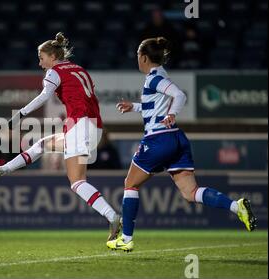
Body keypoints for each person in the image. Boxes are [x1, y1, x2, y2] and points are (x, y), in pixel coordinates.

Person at [107, 37, 257, 252]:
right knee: (190, 192)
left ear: (144, 57)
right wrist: (135, 107)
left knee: (130, 184)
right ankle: (237, 206)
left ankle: (126, 238)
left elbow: (180, 95)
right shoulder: (160, 75)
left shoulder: (153, 78)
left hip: (158, 139)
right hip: (177, 139)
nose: (137, 60)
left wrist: (172, 113)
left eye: (137, 57)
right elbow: (156, 106)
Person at [0, 32, 121, 241]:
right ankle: (2, 169)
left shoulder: (55, 71)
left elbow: (44, 96)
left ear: (52, 56)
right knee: (42, 144)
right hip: (94, 126)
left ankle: (112, 216)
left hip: (80, 124)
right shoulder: (78, 69)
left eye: (41, 58)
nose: (40, 63)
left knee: (77, 182)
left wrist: (20, 114)